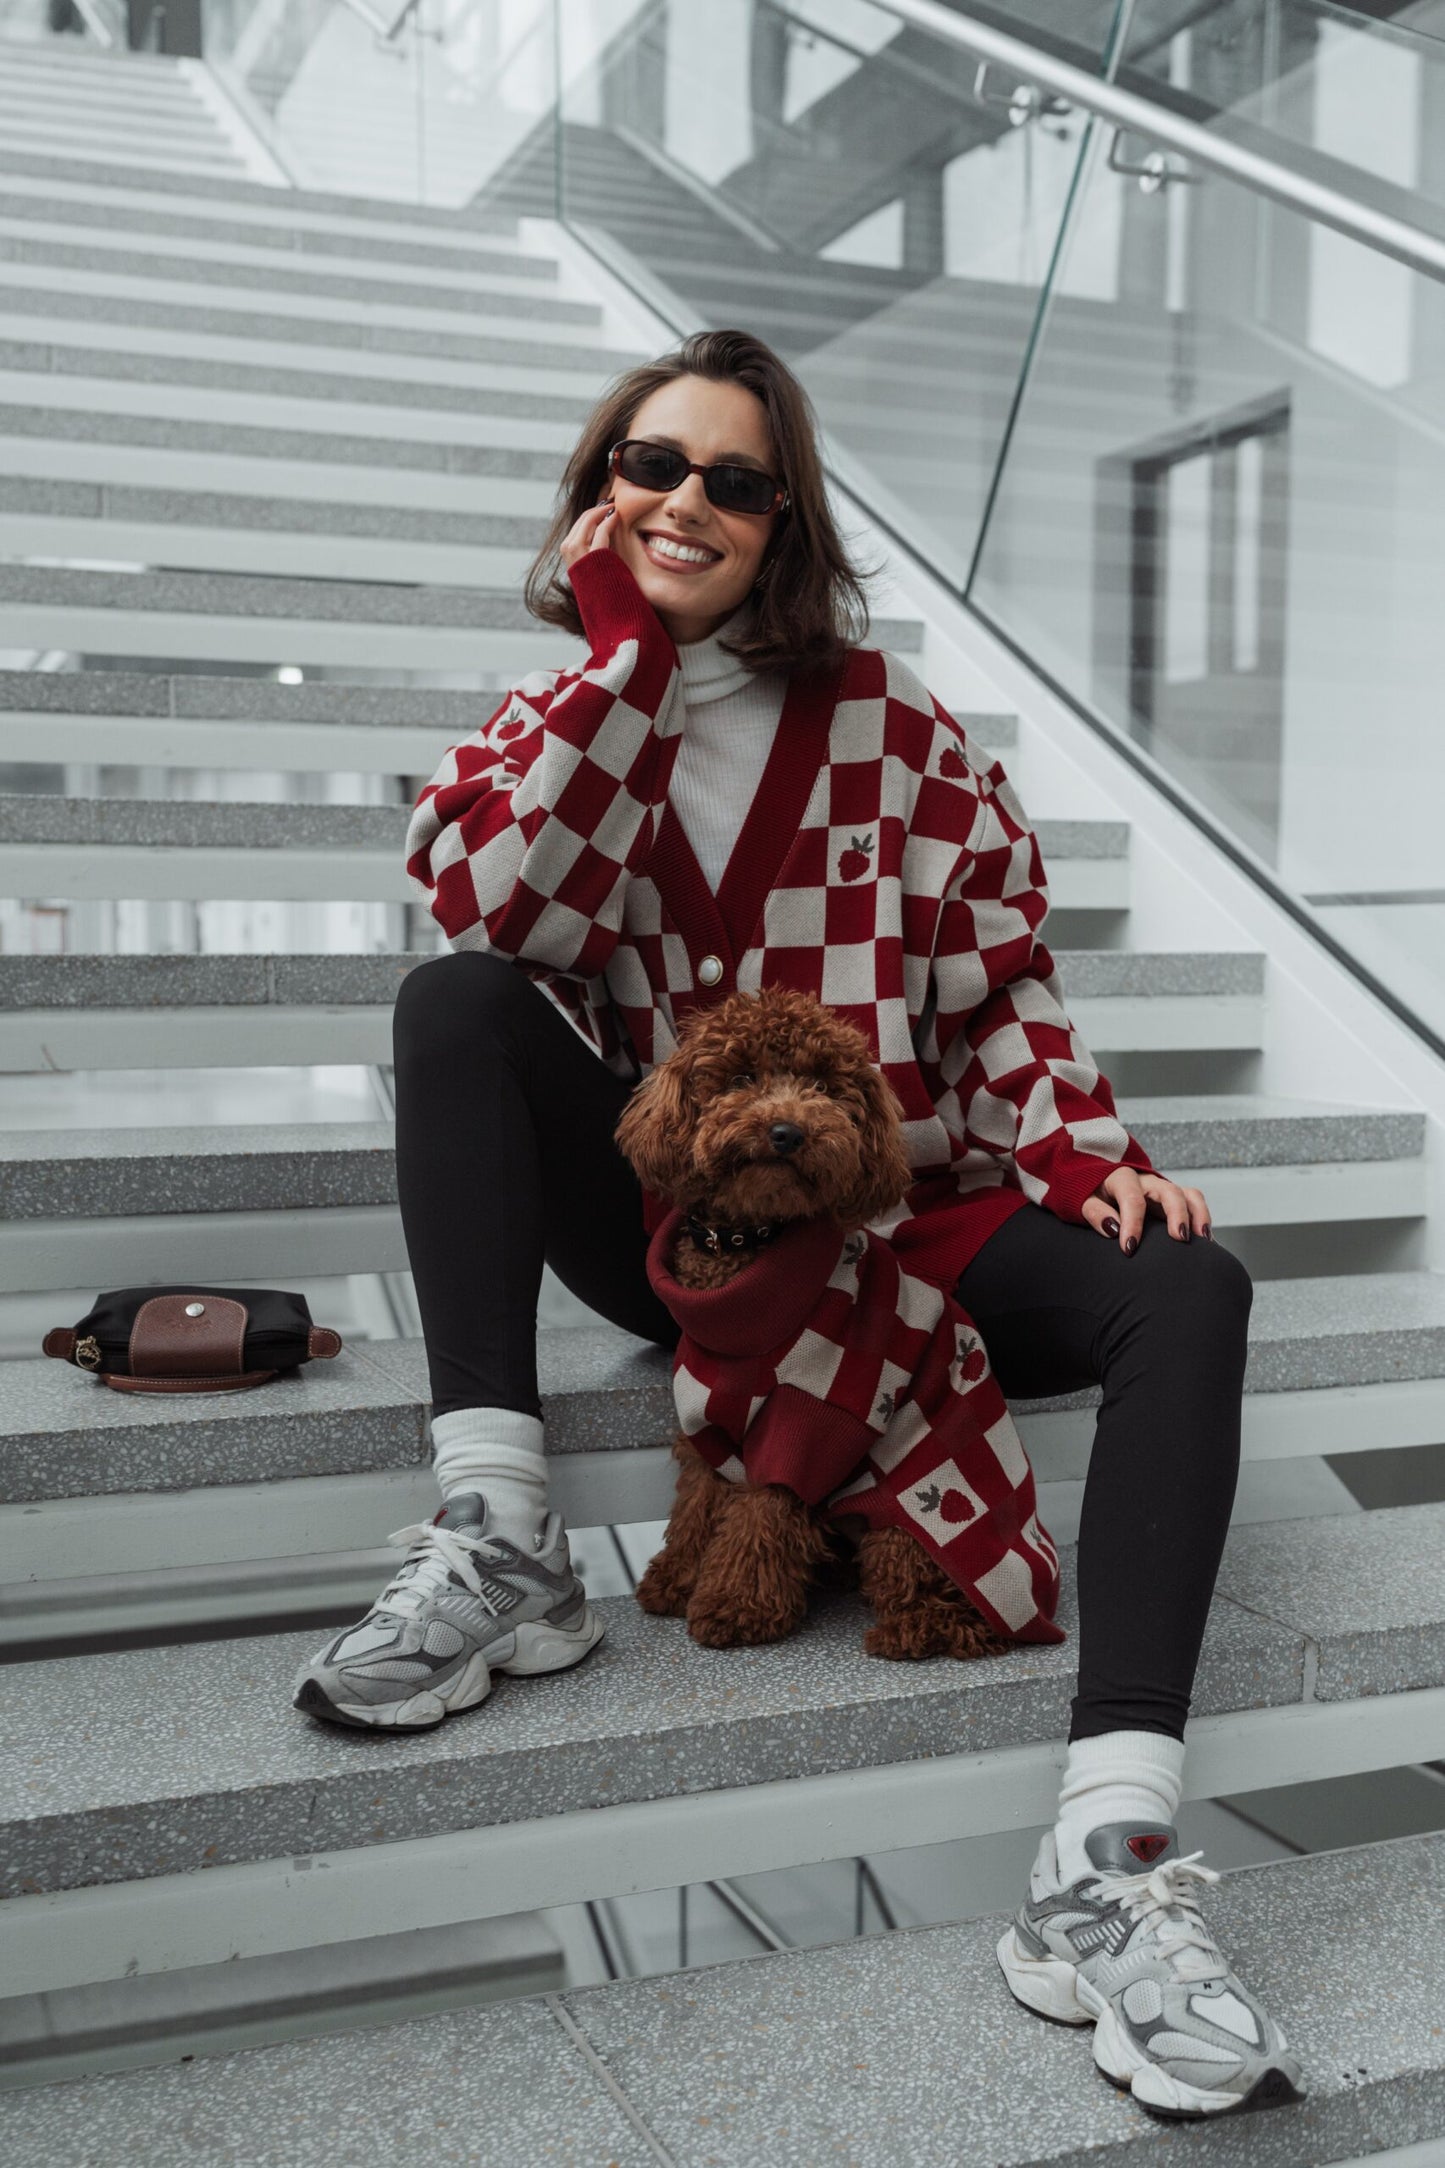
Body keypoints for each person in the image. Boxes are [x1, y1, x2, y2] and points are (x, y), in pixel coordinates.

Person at [292, 328, 1299, 2118]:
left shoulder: (896, 728)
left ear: (787, 519)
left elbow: (997, 987)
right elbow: (500, 920)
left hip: (906, 1214)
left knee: (1191, 1289)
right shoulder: (554, 714)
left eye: (733, 480)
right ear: (602, 489)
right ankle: (502, 1535)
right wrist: (622, 668)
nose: (685, 501)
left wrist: (1083, 1156)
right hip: (688, 1231)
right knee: (447, 1006)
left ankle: (1106, 1856)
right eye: (649, 465)